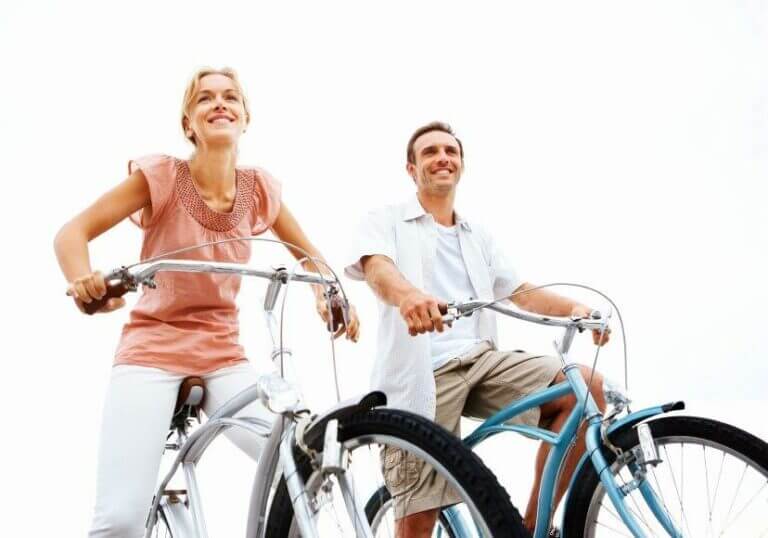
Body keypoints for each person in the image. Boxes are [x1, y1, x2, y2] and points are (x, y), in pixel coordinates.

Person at [53, 67, 360, 537]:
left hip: (223, 354)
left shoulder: (259, 190)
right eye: (205, 99)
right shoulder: (159, 176)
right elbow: (71, 234)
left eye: (230, 97)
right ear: (189, 124)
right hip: (151, 350)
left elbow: (309, 257)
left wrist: (327, 291)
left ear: (244, 117)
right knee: (119, 519)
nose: (219, 104)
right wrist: (84, 282)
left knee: (300, 468)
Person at [345, 121, 608, 536]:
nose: (442, 158)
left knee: (586, 389)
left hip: (482, 360)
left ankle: (529, 528)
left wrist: (573, 308)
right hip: (424, 373)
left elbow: (519, 292)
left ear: (462, 164)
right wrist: (410, 297)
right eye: (429, 152)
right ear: (411, 169)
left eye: (450, 151)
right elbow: (378, 269)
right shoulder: (386, 221)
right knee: (418, 517)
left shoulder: (477, 235)